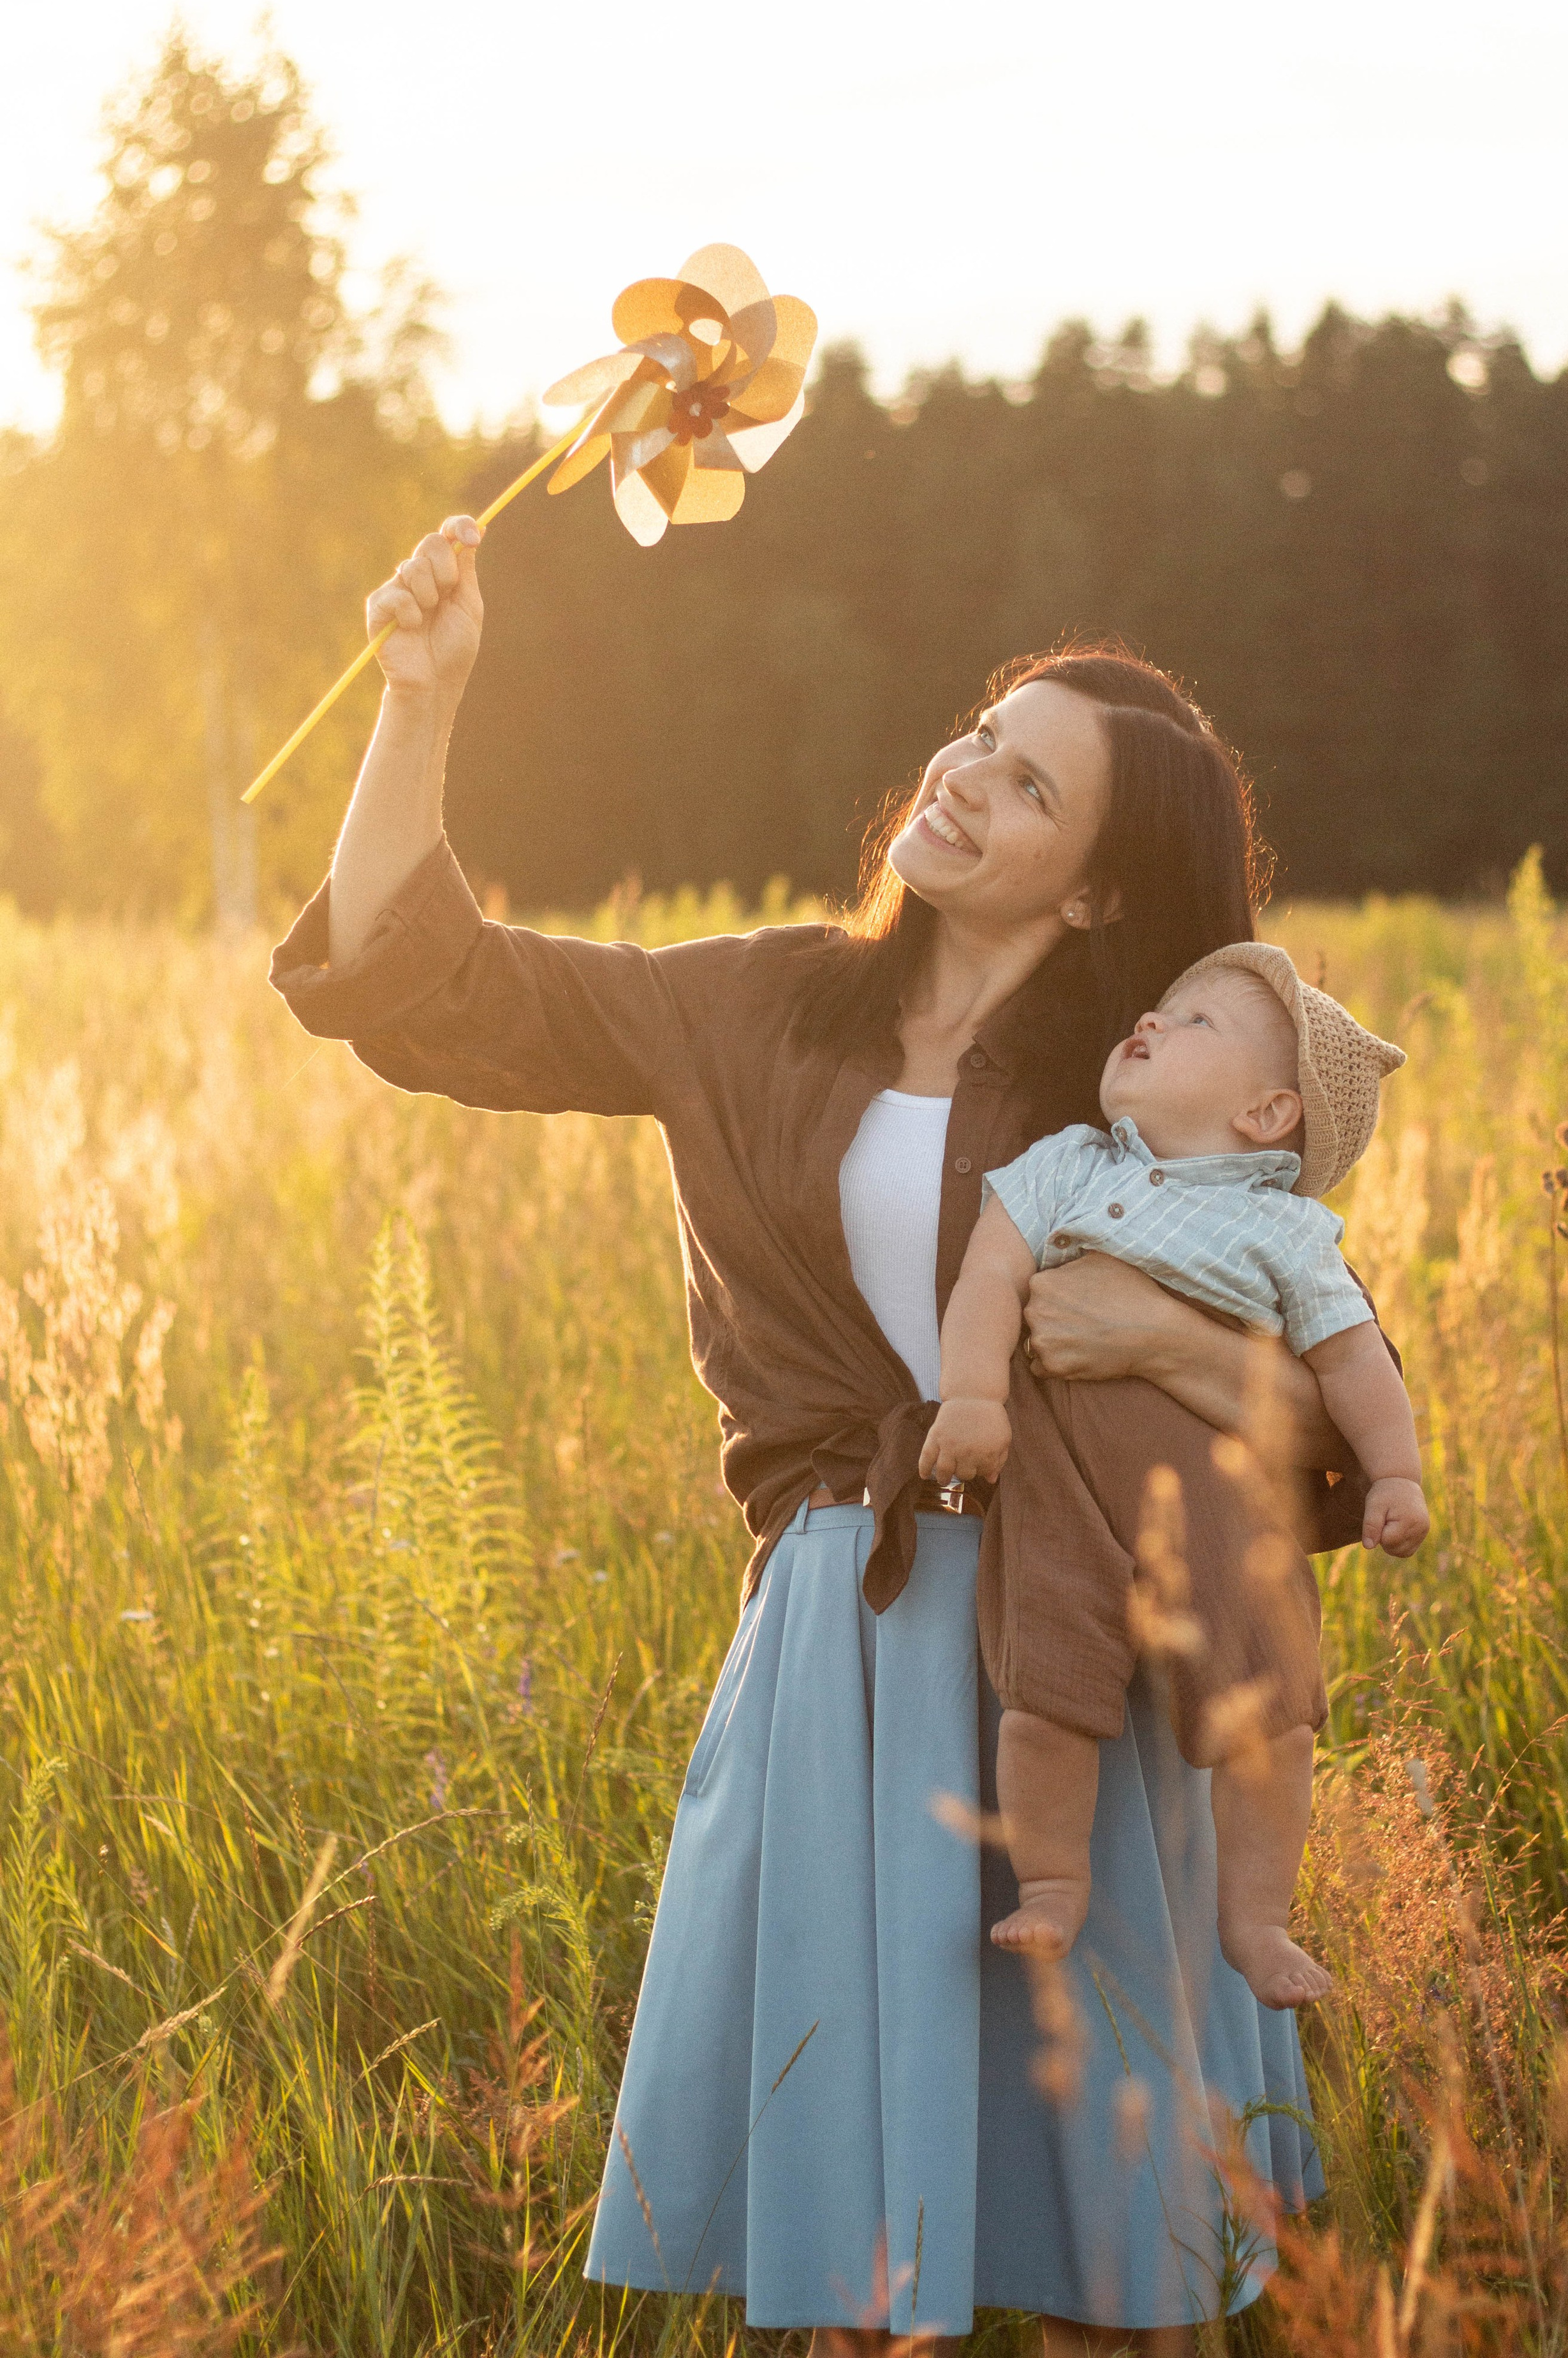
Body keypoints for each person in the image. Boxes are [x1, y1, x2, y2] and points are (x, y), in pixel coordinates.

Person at [270, 515, 1394, 2353]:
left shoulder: (1144, 1091)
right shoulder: (757, 999)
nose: (962, 777)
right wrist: (422, 703)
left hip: (1089, 1652)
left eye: (1030, 785)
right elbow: (432, 991)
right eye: (979, 732)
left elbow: (1333, 1426)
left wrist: (1159, 1338)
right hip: (847, 1646)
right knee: (857, 2261)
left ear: (1103, 892)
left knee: (1127, 2248)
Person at [921, 945, 1427, 2003]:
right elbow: (988, 1278)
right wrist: (969, 1398)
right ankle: (1053, 1880)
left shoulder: (1288, 1231)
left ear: (1267, 1115)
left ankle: (1257, 1921)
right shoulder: (1064, 1164)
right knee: (1043, 1693)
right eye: (1155, 1006)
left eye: (1193, 1024)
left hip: (1224, 1507)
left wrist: (1395, 1475)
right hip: (1056, 1489)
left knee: (1271, 1713)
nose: (1148, 1021)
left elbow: (1352, 1362)